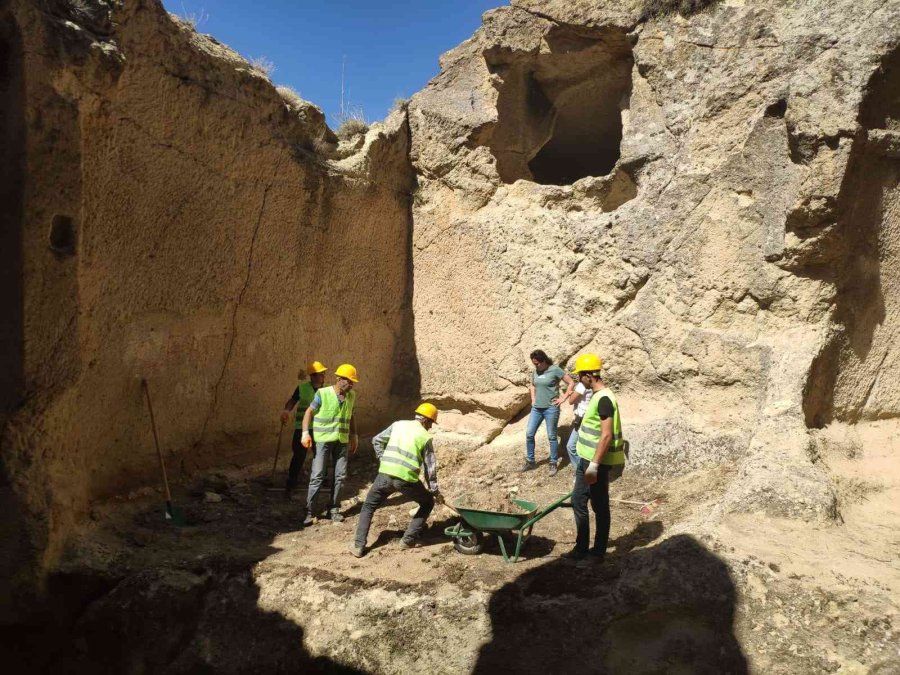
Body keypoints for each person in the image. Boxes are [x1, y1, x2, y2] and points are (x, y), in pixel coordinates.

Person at [350, 403, 442, 557]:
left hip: (384, 475)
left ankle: (358, 546)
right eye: (431, 422)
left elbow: (376, 440)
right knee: (427, 503)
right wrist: (434, 492)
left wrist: (383, 459)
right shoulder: (425, 437)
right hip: (406, 480)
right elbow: (429, 468)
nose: (431, 427)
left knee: (368, 506)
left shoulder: (398, 425)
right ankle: (408, 540)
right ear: (426, 420)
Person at [564, 353, 626, 564]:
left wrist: (595, 465)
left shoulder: (604, 399)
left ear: (589, 375)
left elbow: (606, 434)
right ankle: (581, 547)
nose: (579, 380)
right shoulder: (597, 396)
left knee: (599, 506)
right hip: (585, 459)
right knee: (578, 500)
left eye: (581, 376)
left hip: (596, 463)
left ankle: (597, 552)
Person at [300, 363, 359, 525]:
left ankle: (334, 508)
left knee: (340, 476)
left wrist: (354, 435)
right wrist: (305, 433)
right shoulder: (323, 393)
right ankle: (310, 511)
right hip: (323, 440)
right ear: (339, 379)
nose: (352, 384)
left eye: (353, 382)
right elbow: (308, 412)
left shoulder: (351, 395)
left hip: (341, 440)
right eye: (349, 381)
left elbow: (351, 415)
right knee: (318, 475)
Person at [280, 360, 328, 498]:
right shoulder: (301, 388)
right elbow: (292, 401)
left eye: (323, 373)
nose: (322, 376)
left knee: (320, 455)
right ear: (312, 376)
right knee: (299, 456)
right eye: (320, 374)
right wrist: (286, 411)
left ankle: (322, 479)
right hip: (303, 428)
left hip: (320, 428)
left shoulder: (327, 389)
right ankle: (292, 482)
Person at [522, 349, 574, 476]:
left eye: (537, 363)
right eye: (534, 364)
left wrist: (563, 398)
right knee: (529, 433)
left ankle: (553, 462)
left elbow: (571, 382)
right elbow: (533, 385)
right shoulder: (535, 371)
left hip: (551, 408)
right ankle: (530, 461)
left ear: (544, 361)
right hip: (536, 409)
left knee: (551, 436)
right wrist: (533, 399)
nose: (536, 366)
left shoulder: (555, 370)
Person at [564, 369, 594, 470]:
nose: (578, 376)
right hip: (588, 418)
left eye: (579, 374)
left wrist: (570, 394)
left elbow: (571, 401)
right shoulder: (593, 384)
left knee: (571, 446)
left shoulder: (582, 385)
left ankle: (580, 472)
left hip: (581, 419)